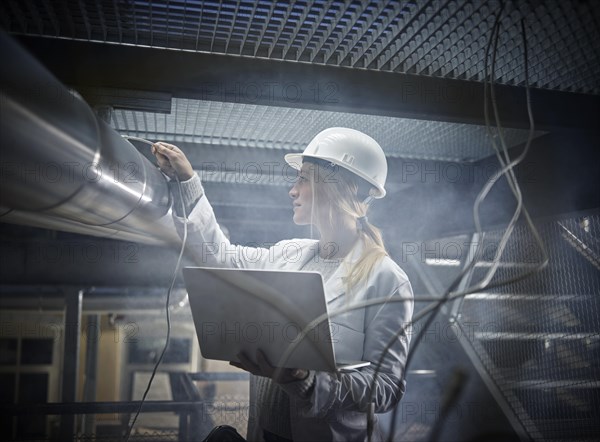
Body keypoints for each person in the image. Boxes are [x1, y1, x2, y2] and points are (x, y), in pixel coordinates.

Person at [152, 128, 414, 442]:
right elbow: (219, 258)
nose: (293, 190)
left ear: (340, 187)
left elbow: (386, 387)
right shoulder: (289, 253)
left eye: (303, 178)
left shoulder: (387, 279)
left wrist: (308, 381)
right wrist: (187, 182)